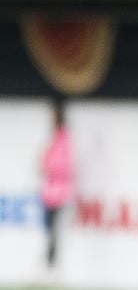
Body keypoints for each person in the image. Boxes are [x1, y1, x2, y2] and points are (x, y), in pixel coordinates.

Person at [41, 99, 73, 275]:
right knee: (49, 229)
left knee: (53, 229)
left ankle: (51, 265)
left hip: (58, 192)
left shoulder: (62, 138)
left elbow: (59, 165)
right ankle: (49, 263)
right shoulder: (56, 137)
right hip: (51, 191)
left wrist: (46, 164)